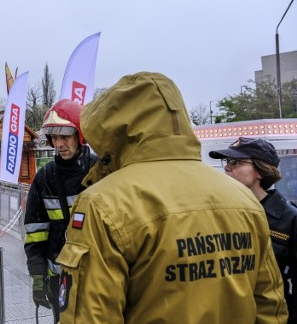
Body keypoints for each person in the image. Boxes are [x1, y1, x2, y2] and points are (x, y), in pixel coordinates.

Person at [56, 72, 288, 324]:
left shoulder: (103, 203)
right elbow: (270, 306)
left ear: (111, 130)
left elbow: (92, 317)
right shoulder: (244, 199)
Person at [23, 99, 98, 323]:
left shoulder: (99, 172)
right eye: (54, 137)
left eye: (65, 136)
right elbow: (36, 232)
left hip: (97, 276)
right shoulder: (44, 178)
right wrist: (38, 277)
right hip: (59, 279)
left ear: (80, 135)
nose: (59, 144)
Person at [210, 137, 297, 323]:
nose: (227, 167)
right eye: (226, 162)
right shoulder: (219, 212)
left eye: (236, 162)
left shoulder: (290, 218)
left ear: (260, 169)